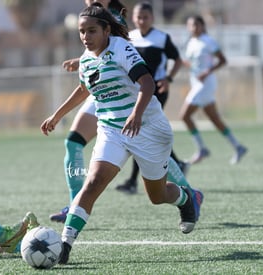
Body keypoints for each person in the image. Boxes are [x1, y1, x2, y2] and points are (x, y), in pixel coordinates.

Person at [41, 3, 198, 264]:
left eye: (91, 31)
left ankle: (184, 198)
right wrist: (57, 115)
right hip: (112, 130)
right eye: (82, 32)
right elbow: (84, 89)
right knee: (93, 182)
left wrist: (136, 114)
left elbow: (147, 83)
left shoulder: (121, 48)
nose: (85, 37)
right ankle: (65, 244)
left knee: (157, 197)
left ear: (106, 30)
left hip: (148, 128)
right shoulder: (87, 59)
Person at [49, 0, 127, 223]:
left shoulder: (113, 17)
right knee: (73, 143)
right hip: (99, 90)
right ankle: (75, 204)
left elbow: (115, 52)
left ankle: (189, 194)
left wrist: (80, 59)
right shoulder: (91, 15)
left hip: (122, 94)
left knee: (148, 154)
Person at [116, 1, 187, 194]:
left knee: (141, 132)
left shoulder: (161, 38)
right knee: (147, 133)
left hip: (157, 90)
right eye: (138, 17)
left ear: (152, 18)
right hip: (135, 92)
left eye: (145, 17)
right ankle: (178, 164)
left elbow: (178, 60)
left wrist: (169, 78)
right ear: (133, 18)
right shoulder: (129, 37)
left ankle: (132, 181)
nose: (142, 20)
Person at [181, 15, 248, 164]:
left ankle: (201, 149)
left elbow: (223, 60)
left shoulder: (208, 41)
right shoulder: (191, 42)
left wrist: (206, 72)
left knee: (184, 116)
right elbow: (191, 64)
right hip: (196, 83)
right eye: (191, 25)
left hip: (206, 84)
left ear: (202, 26)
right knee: (214, 118)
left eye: (197, 25)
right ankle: (238, 147)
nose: (194, 28)